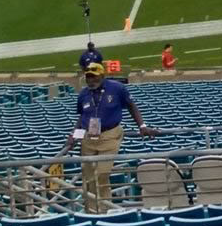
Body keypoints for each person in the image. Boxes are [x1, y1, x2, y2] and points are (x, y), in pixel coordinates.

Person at [55, 62, 159, 213]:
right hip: (88, 137)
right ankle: (94, 210)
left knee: (102, 174)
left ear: (102, 75)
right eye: (89, 76)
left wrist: (142, 126)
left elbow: (131, 106)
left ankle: (104, 209)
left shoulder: (117, 88)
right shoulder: (84, 93)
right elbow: (82, 117)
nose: (91, 80)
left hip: (110, 134)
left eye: (94, 76)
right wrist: (73, 134)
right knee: (89, 178)